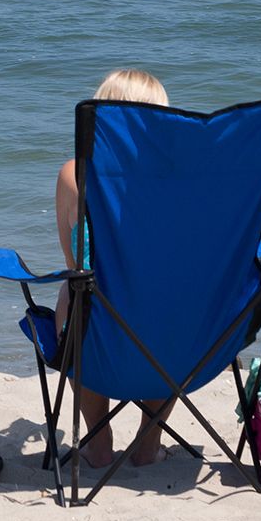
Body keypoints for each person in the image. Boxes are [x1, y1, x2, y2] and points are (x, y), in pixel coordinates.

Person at [53, 68, 174, 468]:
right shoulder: (183, 183)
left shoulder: (75, 175)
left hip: (100, 338)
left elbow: (75, 265)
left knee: (73, 289)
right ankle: (148, 439)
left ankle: (98, 438)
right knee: (174, 299)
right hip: (178, 340)